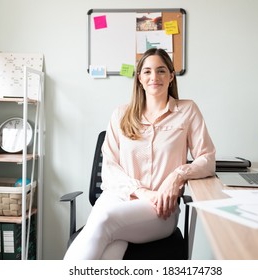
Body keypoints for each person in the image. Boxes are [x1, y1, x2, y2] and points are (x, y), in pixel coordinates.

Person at [64, 48, 216, 260]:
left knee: (104, 220)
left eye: (161, 71)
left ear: (171, 76)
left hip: (160, 208)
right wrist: (142, 192)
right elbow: (109, 167)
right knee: (112, 245)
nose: (154, 77)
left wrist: (177, 175)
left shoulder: (187, 110)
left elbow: (207, 159)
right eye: (147, 72)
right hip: (118, 196)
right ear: (139, 78)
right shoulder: (121, 114)